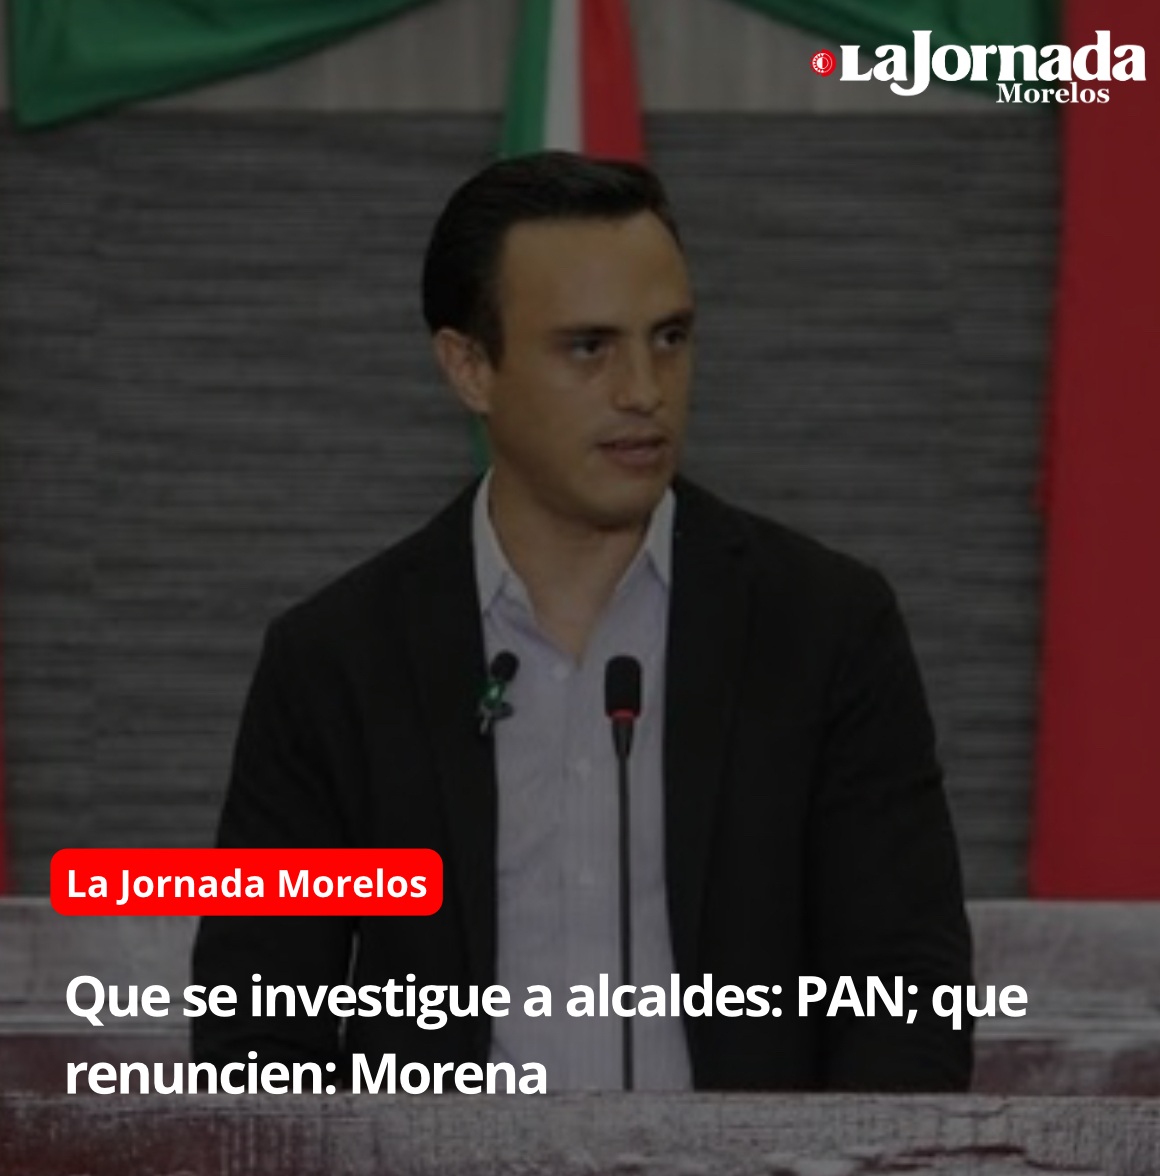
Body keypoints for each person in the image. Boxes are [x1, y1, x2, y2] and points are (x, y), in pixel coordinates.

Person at [192, 151, 972, 1091]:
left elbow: (907, 1001)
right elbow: (257, 1027)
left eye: (670, 338)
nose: (644, 389)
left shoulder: (826, 628)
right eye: (589, 348)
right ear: (470, 368)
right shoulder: (336, 659)